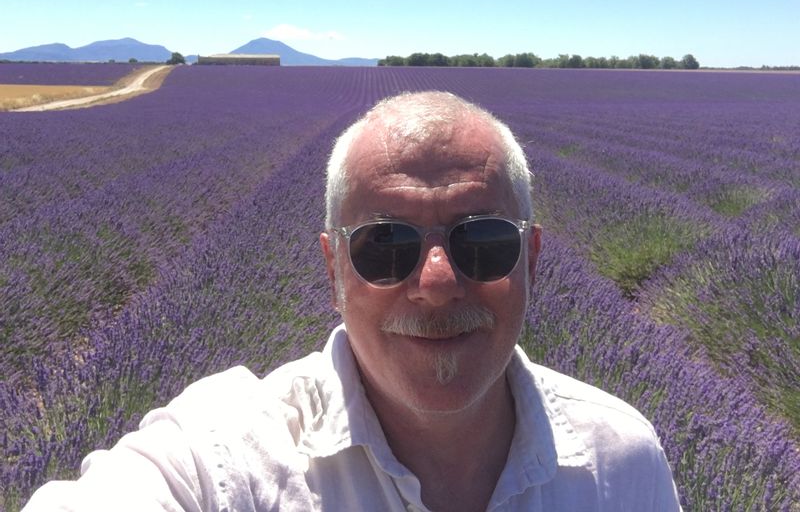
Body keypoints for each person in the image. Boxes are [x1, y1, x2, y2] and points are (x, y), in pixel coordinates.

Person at [24, 91, 681, 511]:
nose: (436, 284)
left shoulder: (622, 463)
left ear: (532, 260)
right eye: (384, 246)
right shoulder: (226, 462)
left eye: (482, 242)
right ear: (333, 268)